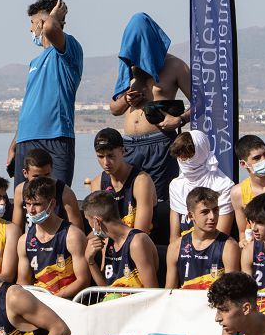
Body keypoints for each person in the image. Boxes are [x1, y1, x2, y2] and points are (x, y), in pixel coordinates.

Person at [108, 13, 192, 208]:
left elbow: (203, 104)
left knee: (158, 202)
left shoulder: (175, 66)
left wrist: (179, 120)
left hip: (160, 144)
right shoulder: (127, 68)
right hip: (128, 145)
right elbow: (114, 109)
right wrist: (126, 99)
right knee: (127, 201)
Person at [8, 0, 83, 188]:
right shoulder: (35, 62)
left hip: (55, 136)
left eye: (32, 23)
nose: (30, 29)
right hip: (27, 138)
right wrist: (15, 143)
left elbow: (50, 29)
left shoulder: (68, 49)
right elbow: (30, 104)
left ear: (42, 23)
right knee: (24, 200)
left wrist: (53, 18)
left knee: (54, 199)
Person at [16, 176, 90, 298]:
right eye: (28, 204)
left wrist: (54, 300)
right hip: (39, 304)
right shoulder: (24, 241)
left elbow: (83, 280)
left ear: (52, 204)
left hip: (67, 302)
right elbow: (23, 281)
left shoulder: (72, 236)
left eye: (37, 204)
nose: (31, 210)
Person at [167, 130, 235, 243]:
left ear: (202, 152)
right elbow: (174, 237)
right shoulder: (176, 185)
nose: (184, 162)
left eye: (189, 156)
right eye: (181, 157)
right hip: (183, 251)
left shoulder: (223, 185)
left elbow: (221, 236)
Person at [166, 187, 240, 290]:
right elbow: (169, 293)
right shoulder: (176, 247)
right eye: (205, 212)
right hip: (185, 304)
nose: (212, 216)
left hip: (216, 305)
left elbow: (232, 294)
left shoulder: (229, 246)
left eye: (215, 210)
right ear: (191, 216)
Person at [82, 190, 159, 289]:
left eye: (88, 220)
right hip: (113, 302)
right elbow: (106, 289)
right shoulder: (107, 242)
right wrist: (90, 261)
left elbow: (152, 291)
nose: (89, 225)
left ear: (97, 221)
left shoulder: (137, 242)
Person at [89, 128, 156, 235]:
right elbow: (99, 228)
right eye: (100, 156)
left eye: (111, 156)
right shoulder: (97, 183)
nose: (106, 162)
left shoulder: (141, 181)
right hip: (111, 241)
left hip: (139, 244)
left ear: (123, 151)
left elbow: (140, 233)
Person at [11, 149, 82, 230]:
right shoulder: (20, 190)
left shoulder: (65, 193)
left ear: (51, 170)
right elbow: (17, 230)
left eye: (46, 175)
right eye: (36, 176)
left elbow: (78, 231)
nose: (42, 181)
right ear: (25, 173)